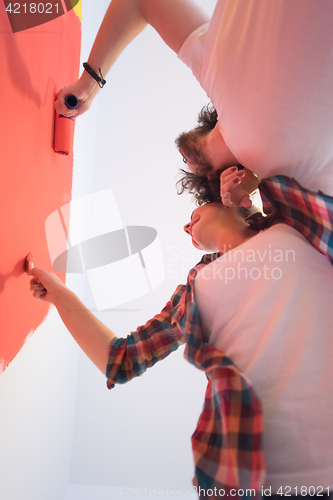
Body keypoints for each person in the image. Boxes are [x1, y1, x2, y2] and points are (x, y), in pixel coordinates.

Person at [27, 201, 333, 499]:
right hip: (254, 474)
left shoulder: (291, 223)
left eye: (194, 214)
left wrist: (247, 188)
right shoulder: (196, 289)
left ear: (230, 202)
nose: (186, 225)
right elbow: (121, 360)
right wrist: (60, 295)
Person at [55, 0, 333, 198]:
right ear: (212, 179)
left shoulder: (213, 71)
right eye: (186, 167)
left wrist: (89, 83)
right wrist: (240, 202)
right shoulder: (285, 178)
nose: (181, 157)